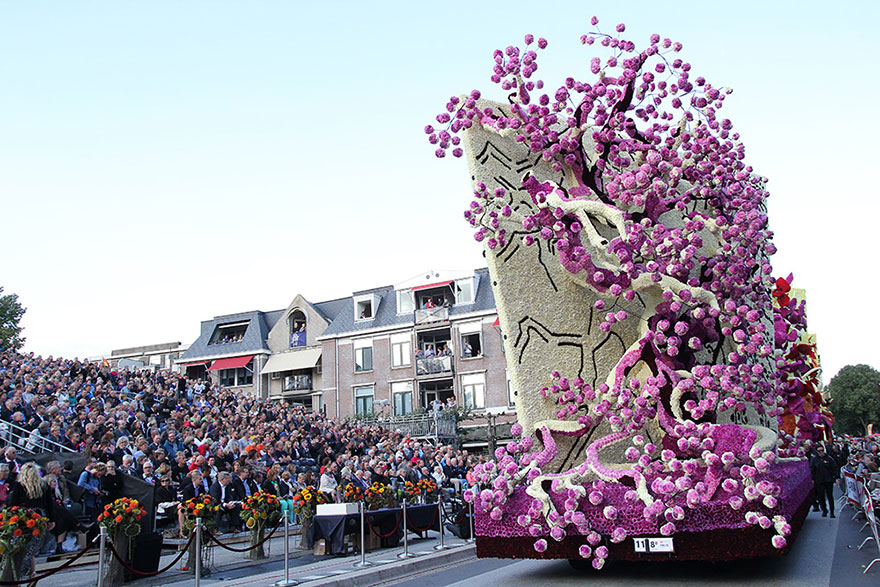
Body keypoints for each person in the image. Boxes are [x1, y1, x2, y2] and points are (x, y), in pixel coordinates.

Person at [810, 443, 838, 518]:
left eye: (822, 450)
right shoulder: (815, 459)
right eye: (819, 451)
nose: (821, 452)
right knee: (821, 496)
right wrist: (812, 479)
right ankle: (824, 510)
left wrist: (836, 478)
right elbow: (812, 469)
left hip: (828, 480)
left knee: (830, 496)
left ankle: (832, 511)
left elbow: (834, 468)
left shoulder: (829, 458)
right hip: (819, 480)